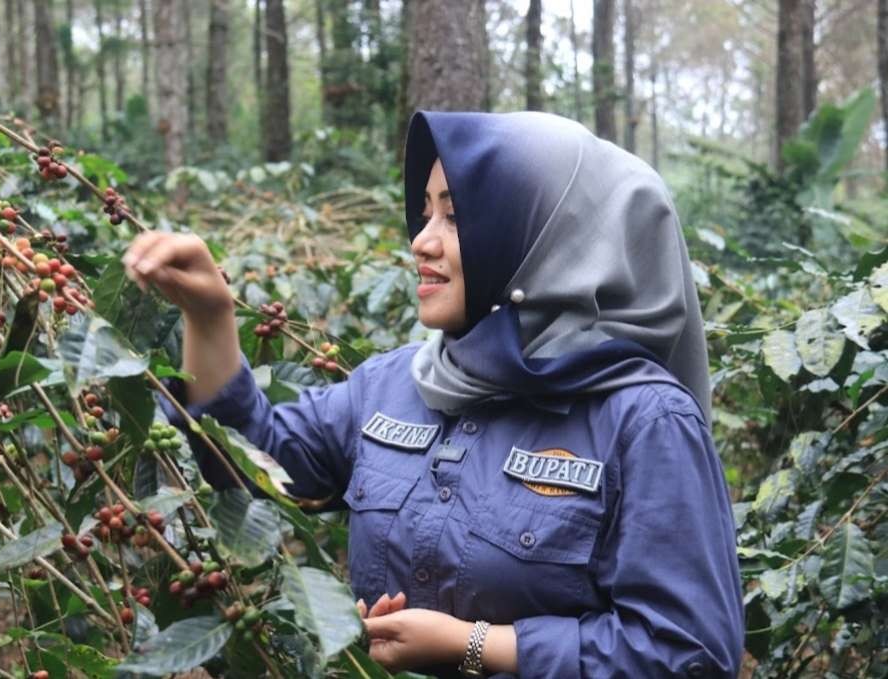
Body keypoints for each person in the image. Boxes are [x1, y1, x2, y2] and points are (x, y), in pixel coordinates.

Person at [123, 111, 745, 678]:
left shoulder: (643, 419)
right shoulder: (399, 383)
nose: (422, 238)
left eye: (456, 214)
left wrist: (475, 644)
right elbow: (252, 460)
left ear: (539, 237)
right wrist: (210, 318)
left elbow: (690, 650)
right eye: (425, 210)